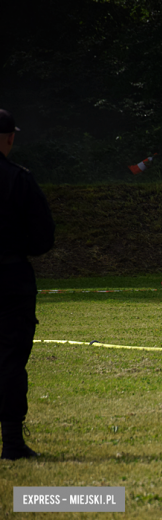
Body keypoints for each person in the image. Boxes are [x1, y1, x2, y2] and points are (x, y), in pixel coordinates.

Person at [0, 109, 55, 460]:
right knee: (9, 358)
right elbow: (42, 238)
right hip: (9, 279)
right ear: (9, 138)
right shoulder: (18, 179)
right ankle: (13, 443)